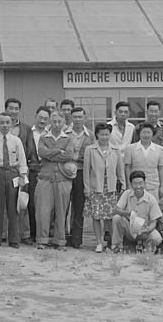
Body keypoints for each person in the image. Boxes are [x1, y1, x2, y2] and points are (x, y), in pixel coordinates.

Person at [0, 112, 28, 249]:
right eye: (2, 122)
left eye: (7, 123)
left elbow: (22, 160)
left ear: (11, 124)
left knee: (13, 207)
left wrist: (22, 176)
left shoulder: (16, 141)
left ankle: (14, 239)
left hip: (13, 173)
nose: (5, 125)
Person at [35, 109, 76, 250]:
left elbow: (69, 155)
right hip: (45, 178)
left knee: (61, 210)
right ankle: (42, 240)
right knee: (43, 210)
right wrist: (59, 151)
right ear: (50, 122)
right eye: (54, 121)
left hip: (63, 179)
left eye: (60, 121)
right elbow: (41, 152)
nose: (57, 124)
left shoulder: (69, 138)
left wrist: (50, 154)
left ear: (64, 122)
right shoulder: (43, 137)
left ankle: (60, 241)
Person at [83, 122, 126, 253]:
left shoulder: (115, 150)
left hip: (111, 188)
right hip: (96, 187)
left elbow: (120, 169)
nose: (104, 137)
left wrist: (123, 184)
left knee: (110, 216)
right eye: (102, 134)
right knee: (96, 216)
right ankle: (98, 242)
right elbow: (86, 170)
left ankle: (112, 242)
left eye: (107, 134)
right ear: (97, 135)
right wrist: (87, 188)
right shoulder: (90, 149)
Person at [7, 98, 37, 245]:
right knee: (6, 204)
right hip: (6, 170)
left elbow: (30, 149)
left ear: (19, 110)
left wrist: (26, 169)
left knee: (22, 202)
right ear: (6, 109)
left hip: (22, 170)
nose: (13, 111)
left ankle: (24, 234)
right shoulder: (0, 127)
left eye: (16, 108)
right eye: (10, 108)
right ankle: (7, 234)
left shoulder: (26, 128)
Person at [111, 170, 163, 253]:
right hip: (130, 227)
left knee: (157, 238)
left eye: (140, 183)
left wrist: (148, 230)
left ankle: (143, 246)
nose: (138, 186)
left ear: (144, 183)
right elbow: (116, 209)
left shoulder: (151, 199)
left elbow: (154, 221)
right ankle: (116, 246)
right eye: (135, 183)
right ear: (131, 184)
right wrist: (127, 213)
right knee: (116, 218)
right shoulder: (127, 194)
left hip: (144, 229)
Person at [66, 107, 94, 249]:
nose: (77, 120)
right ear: (71, 118)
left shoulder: (90, 135)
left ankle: (77, 239)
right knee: (63, 206)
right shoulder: (65, 133)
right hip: (65, 173)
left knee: (78, 207)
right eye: (75, 117)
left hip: (82, 173)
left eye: (80, 117)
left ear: (85, 118)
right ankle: (63, 237)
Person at [124, 122, 163, 202]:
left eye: (149, 132)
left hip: (153, 185)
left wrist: (162, 186)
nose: (146, 135)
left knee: (152, 209)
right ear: (139, 134)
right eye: (144, 132)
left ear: (152, 134)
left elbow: (161, 168)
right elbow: (127, 167)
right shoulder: (130, 148)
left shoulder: (160, 149)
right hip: (136, 185)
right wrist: (129, 185)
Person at [28, 105, 51, 243]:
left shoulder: (51, 133)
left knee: (47, 205)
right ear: (35, 116)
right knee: (32, 204)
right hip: (33, 171)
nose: (42, 121)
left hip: (48, 171)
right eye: (40, 117)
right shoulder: (28, 132)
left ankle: (47, 234)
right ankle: (33, 233)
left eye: (45, 118)